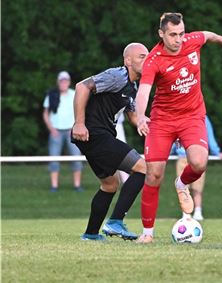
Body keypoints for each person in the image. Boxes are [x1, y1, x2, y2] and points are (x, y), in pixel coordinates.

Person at [135, 12, 222, 244]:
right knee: (153, 174)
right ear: (161, 34)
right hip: (162, 120)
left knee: (199, 162)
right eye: (173, 35)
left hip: (192, 116)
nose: (179, 39)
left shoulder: (191, 41)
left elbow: (207, 35)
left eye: (181, 33)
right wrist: (141, 116)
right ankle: (148, 233)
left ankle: (181, 183)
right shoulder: (154, 60)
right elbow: (143, 91)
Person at [71, 43, 149, 241]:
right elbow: (82, 86)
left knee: (110, 184)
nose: (146, 59)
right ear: (128, 61)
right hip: (94, 133)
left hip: (97, 137)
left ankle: (90, 234)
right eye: (141, 56)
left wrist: (167, 130)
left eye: (148, 56)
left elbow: (134, 119)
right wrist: (79, 123)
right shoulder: (118, 75)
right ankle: (115, 222)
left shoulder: (133, 86)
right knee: (143, 168)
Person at [171, 115, 222, 221]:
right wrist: (167, 151)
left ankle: (198, 212)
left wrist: (216, 151)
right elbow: (173, 136)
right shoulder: (177, 114)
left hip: (198, 156)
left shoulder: (202, 117)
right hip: (183, 156)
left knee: (197, 186)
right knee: (182, 186)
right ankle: (186, 213)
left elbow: (209, 135)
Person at [43, 71, 83, 192]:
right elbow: (45, 114)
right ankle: (54, 185)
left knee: (76, 157)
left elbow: (81, 111)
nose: (63, 83)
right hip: (56, 130)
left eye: (65, 81)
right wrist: (51, 128)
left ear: (69, 82)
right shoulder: (51, 95)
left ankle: (77, 185)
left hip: (72, 131)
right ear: (58, 82)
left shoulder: (74, 94)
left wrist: (77, 126)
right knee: (54, 158)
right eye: (61, 81)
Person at [115, 112, 130, 183]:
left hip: (117, 124)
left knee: (121, 153)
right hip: (103, 124)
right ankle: (124, 180)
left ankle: (125, 180)